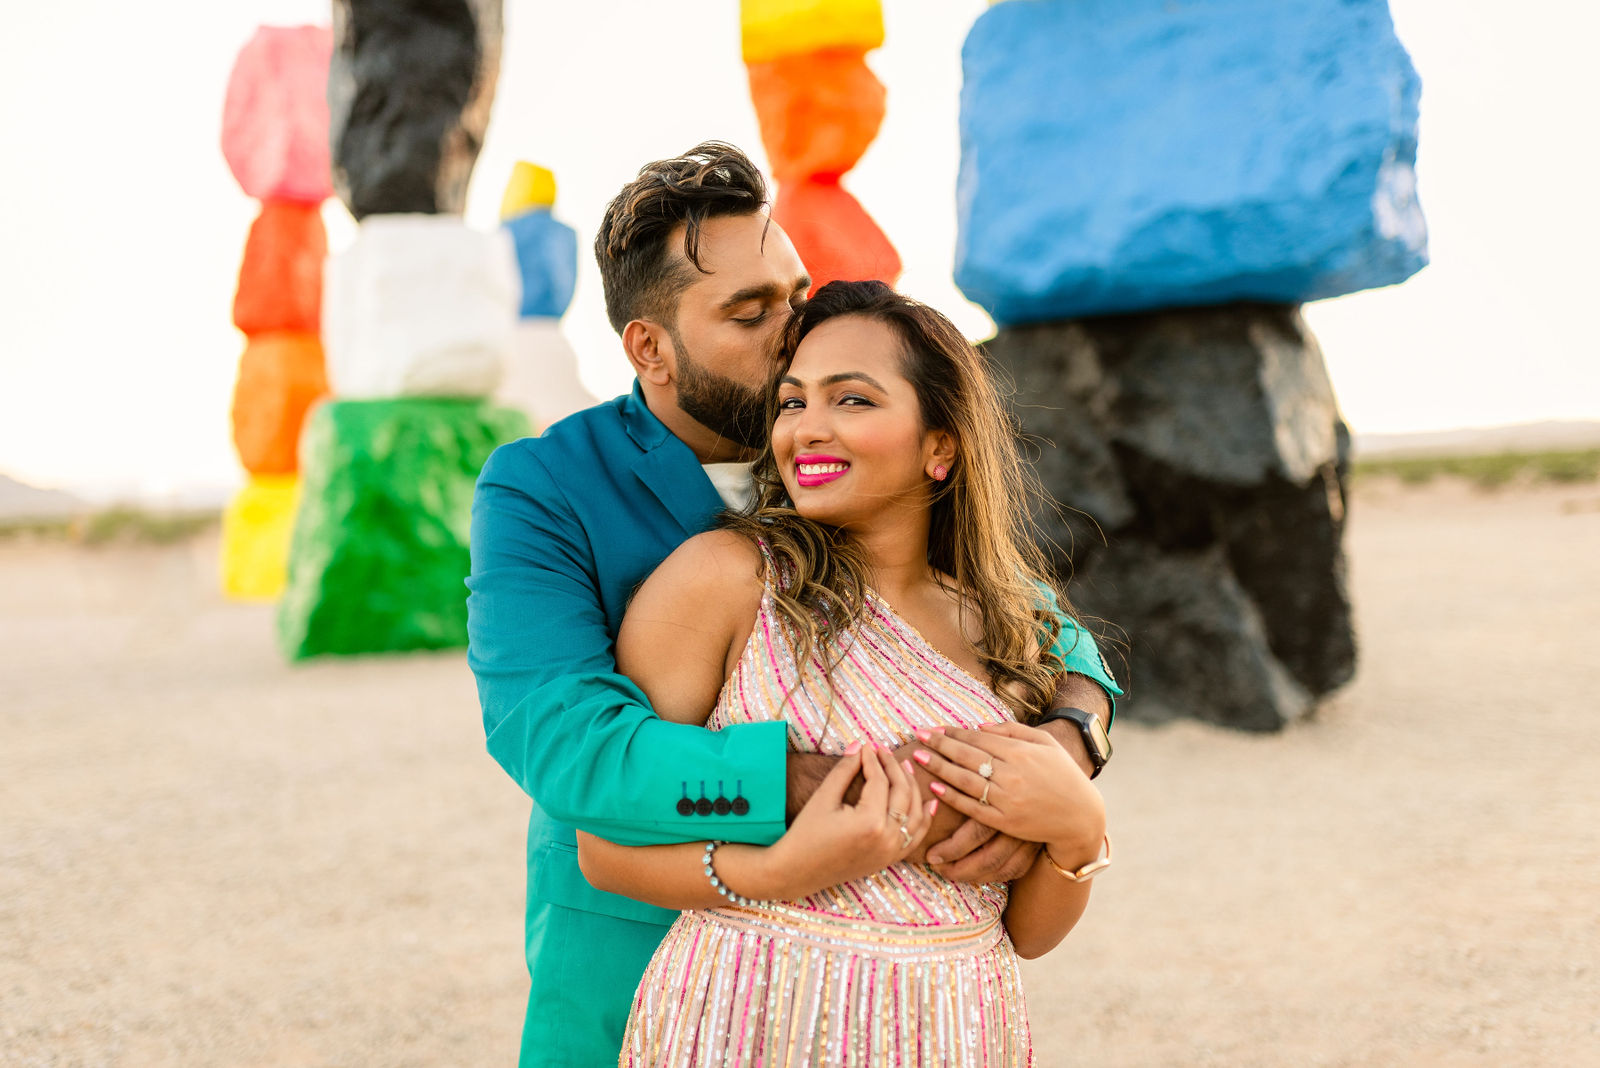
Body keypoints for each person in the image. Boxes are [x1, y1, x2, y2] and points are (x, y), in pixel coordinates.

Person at [466, 143, 1120, 1066]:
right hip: (643, 960)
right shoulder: (546, 488)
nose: (795, 326)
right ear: (649, 347)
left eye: (794, 290)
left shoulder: (853, 464)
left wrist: (1061, 751)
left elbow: (1038, 622)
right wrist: (824, 784)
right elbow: (568, 745)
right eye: (750, 311)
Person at [576, 279, 1110, 1066]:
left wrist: (1079, 828)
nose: (807, 430)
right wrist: (776, 871)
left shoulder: (1007, 629)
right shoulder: (726, 581)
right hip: (745, 1018)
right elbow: (604, 846)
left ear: (941, 446)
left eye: (852, 401)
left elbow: (1026, 933)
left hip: (955, 1026)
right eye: (792, 404)